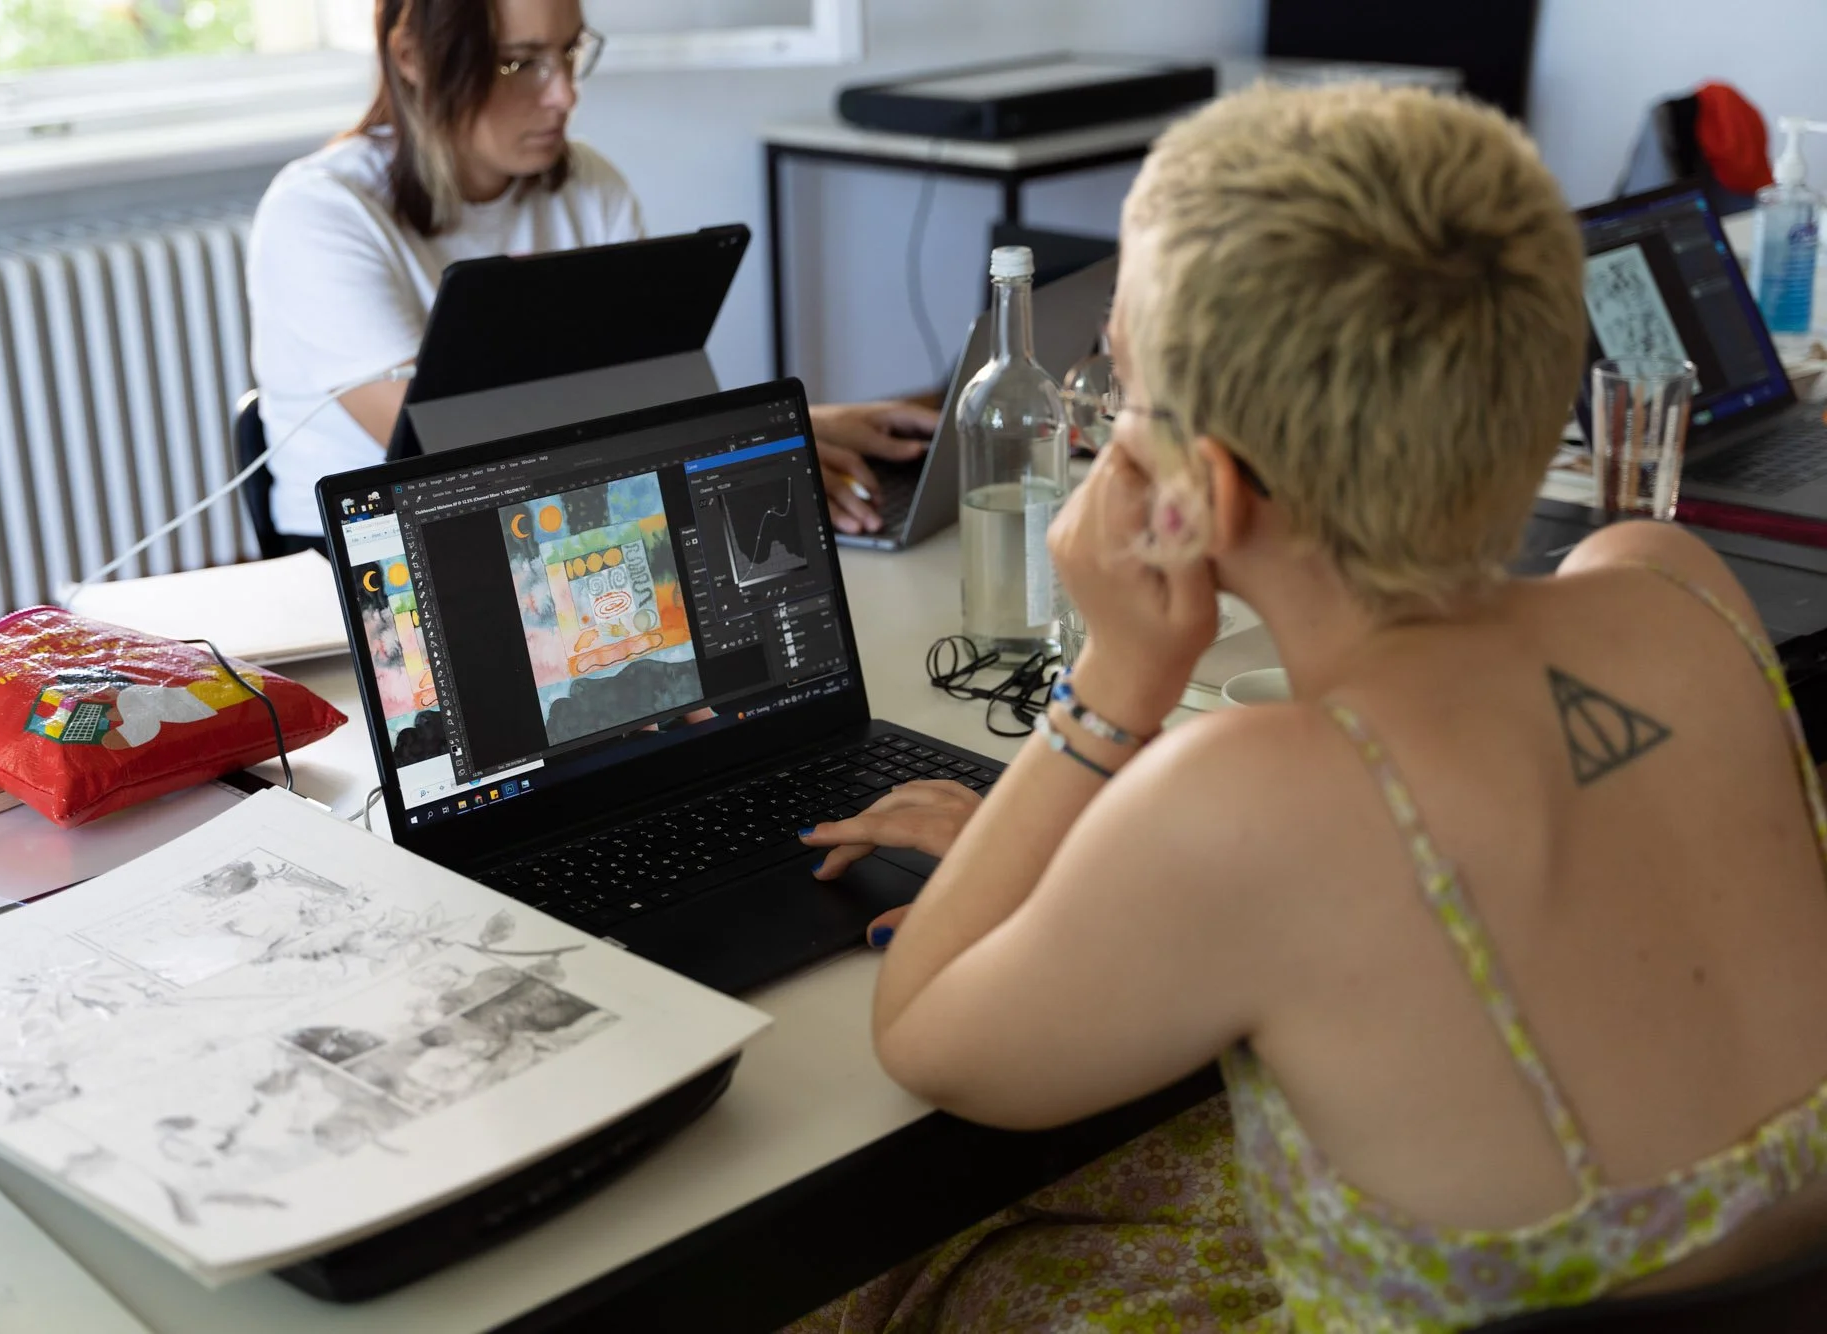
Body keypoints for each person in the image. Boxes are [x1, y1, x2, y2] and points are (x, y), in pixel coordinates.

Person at [792, 82, 1827, 1331]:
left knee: (879, 1286)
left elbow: (922, 1036)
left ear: (1201, 491)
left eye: (1117, 393)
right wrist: (1113, 871)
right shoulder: (1671, 583)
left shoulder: (1253, 792)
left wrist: (1114, 679)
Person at [246, 0, 932, 544]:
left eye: (570, 52)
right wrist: (759, 440)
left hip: (573, 523)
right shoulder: (321, 213)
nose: (565, 94)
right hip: (375, 556)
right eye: (520, 63)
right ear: (413, 57)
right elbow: (445, 456)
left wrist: (790, 428)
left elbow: (648, 393)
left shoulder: (587, 183)